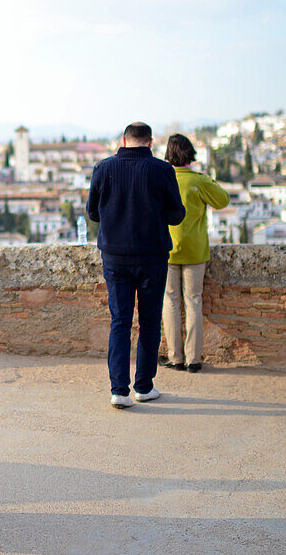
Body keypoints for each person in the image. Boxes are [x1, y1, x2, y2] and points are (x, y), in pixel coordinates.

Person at [87, 122, 185, 410]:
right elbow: (176, 215)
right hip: (152, 256)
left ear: (124, 140)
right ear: (151, 142)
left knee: (120, 321)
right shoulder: (162, 170)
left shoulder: (103, 169)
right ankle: (144, 386)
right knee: (150, 322)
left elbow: (93, 213)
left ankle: (119, 390)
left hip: (115, 257)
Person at [162, 134, 230, 373]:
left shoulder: (163, 178)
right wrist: (206, 180)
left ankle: (175, 357)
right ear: (190, 153)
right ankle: (193, 359)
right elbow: (223, 200)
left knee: (170, 302)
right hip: (195, 251)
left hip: (167, 250)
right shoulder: (198, 181)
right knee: (193, 303)